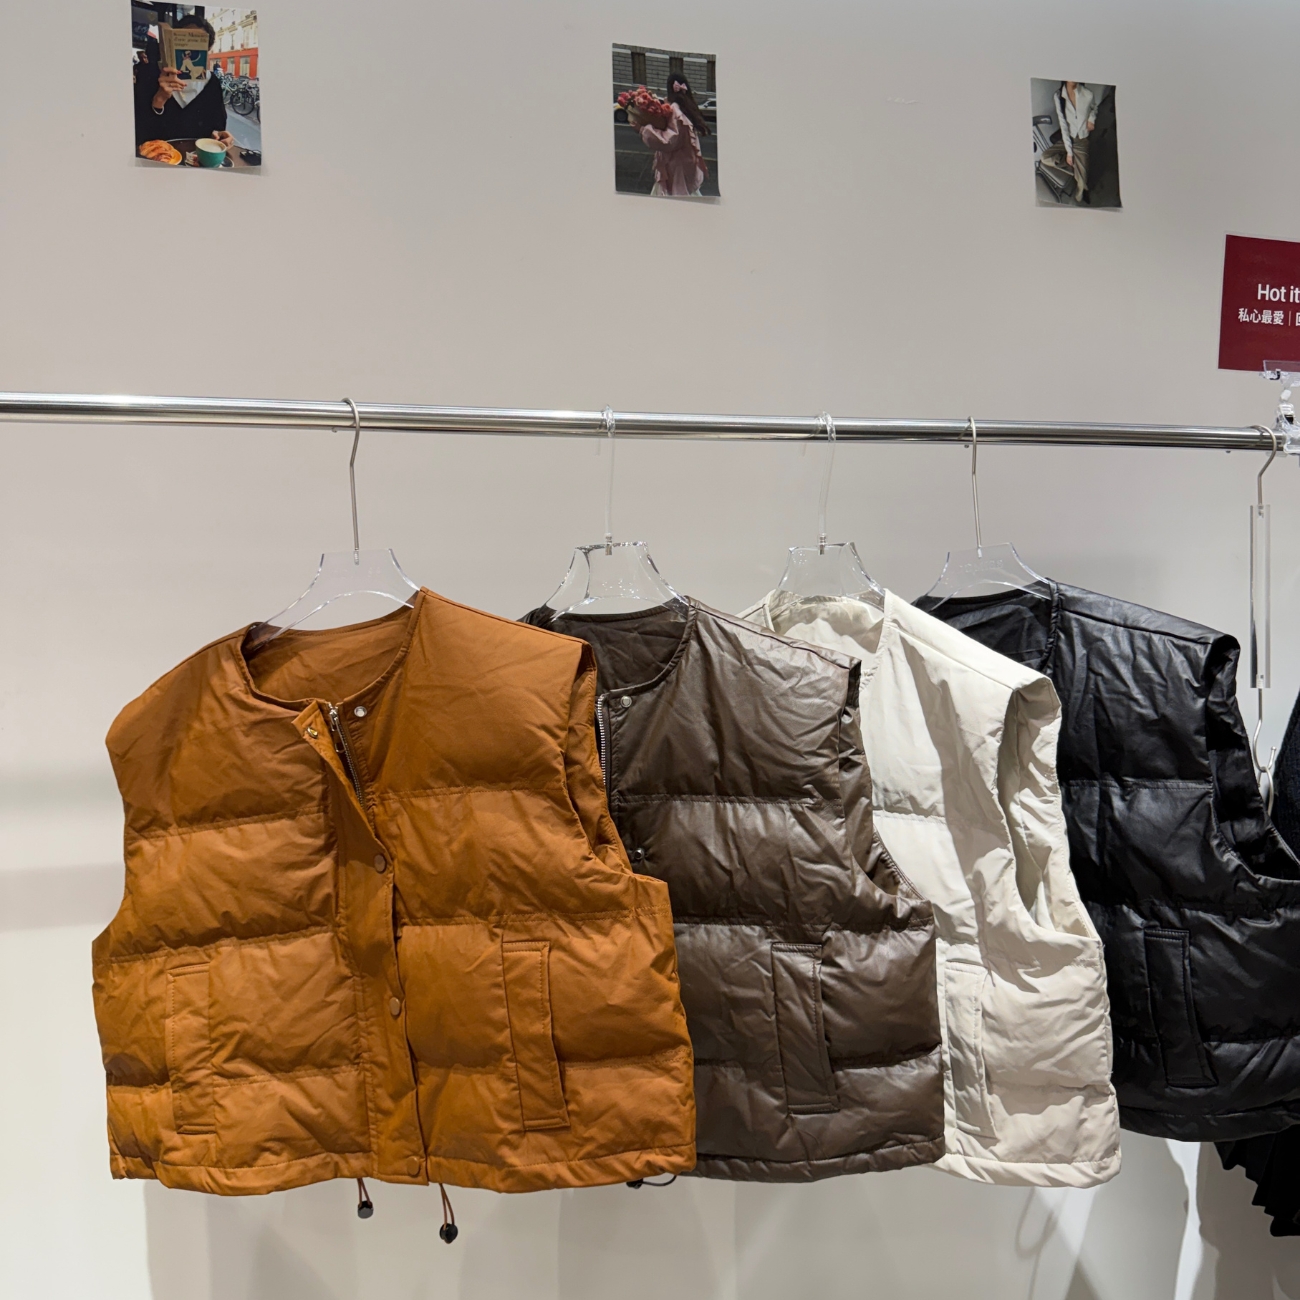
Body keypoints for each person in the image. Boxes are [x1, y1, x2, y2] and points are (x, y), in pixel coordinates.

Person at [133, 14, 235, 154]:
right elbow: (138, 133)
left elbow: (218, 127)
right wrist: (159, 100)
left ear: (208, 48)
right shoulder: (150, 76)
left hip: (196, 159)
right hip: (160, 157)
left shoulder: (212, 83)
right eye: (183, 40)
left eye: (197, 42)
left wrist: (220, 137)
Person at [629, 72, 711, 197]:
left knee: (676, 198)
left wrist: (642, 130)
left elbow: (668, 141)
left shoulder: (675, 110)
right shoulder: (687, 106)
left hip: (676, 166)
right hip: (687, 161)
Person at [1054, 81, 1097, 202]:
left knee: (1083, 178)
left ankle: (1081, 193)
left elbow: (1094, 107)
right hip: (1067, 138)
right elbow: (1063, 124)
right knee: (1045, 157)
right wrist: (1069, 152)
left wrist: (1091, 119)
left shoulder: (1088, 94)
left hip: (1081, 139)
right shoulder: (1058, 96)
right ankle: (1074, 164)